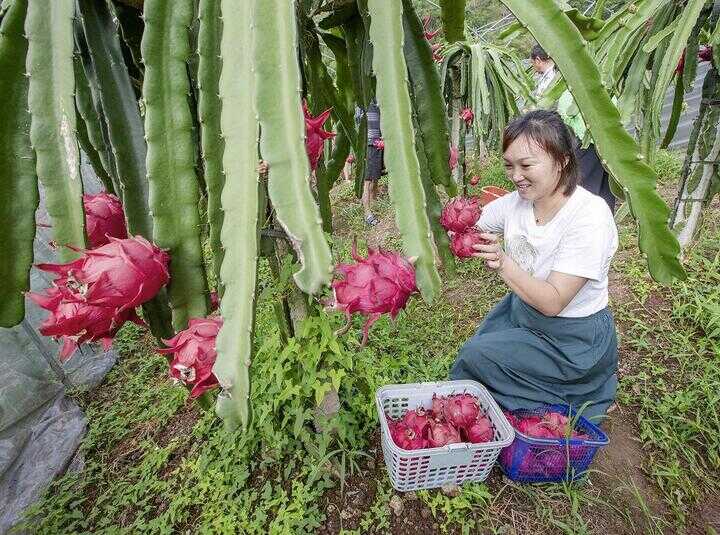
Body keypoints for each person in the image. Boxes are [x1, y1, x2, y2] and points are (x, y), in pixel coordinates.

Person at [449, 110, 619, 421]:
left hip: (571, 339)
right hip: (524, 314)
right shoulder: (517, 202)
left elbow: (553, 302)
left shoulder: (590, 217)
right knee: (480, 355)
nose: (516, 176)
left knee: (476, 356)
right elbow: (468, 225)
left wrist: (502, 262)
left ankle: (571, 396)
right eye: (509, 166)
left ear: (563, 160)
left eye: (526, 165)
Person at [530, 45, 616, 213]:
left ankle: (587, 220)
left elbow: (566, 112)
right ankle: (603, 221)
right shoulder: (600, 79)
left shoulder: (570, 80)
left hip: (586, 140)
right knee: (604, 184)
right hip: (605, 139)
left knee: (583, 185)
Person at [363, 99, 384, 226]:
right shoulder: (364, 98)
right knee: (368, 180)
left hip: (382, 141)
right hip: (370, 143)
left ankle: (374, 204)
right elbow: (359, 120)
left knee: (376, 177)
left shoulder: (380, 96)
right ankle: (367, 213)